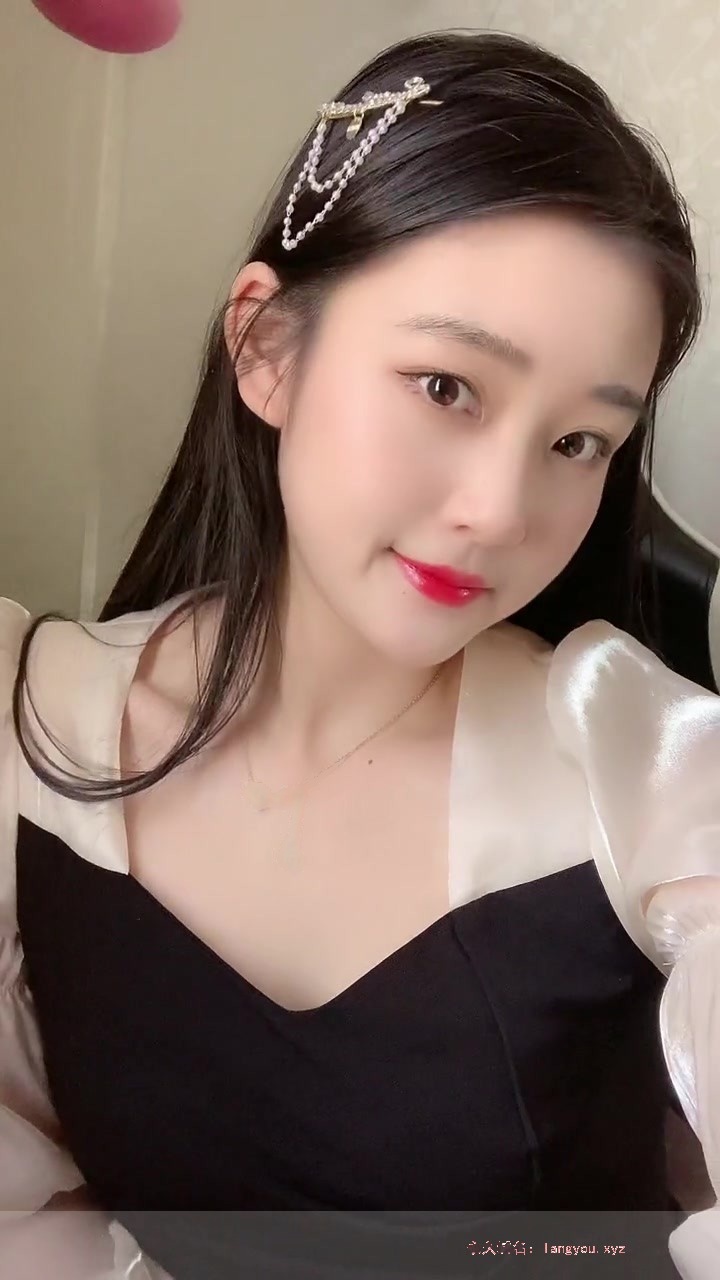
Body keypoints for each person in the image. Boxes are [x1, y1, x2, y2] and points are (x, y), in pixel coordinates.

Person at [1, 26, 719, 1280]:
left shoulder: (643, 767)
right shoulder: (36, 729)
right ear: (266, 348)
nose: (499, 510)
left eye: (578, 444)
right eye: (446, 386)